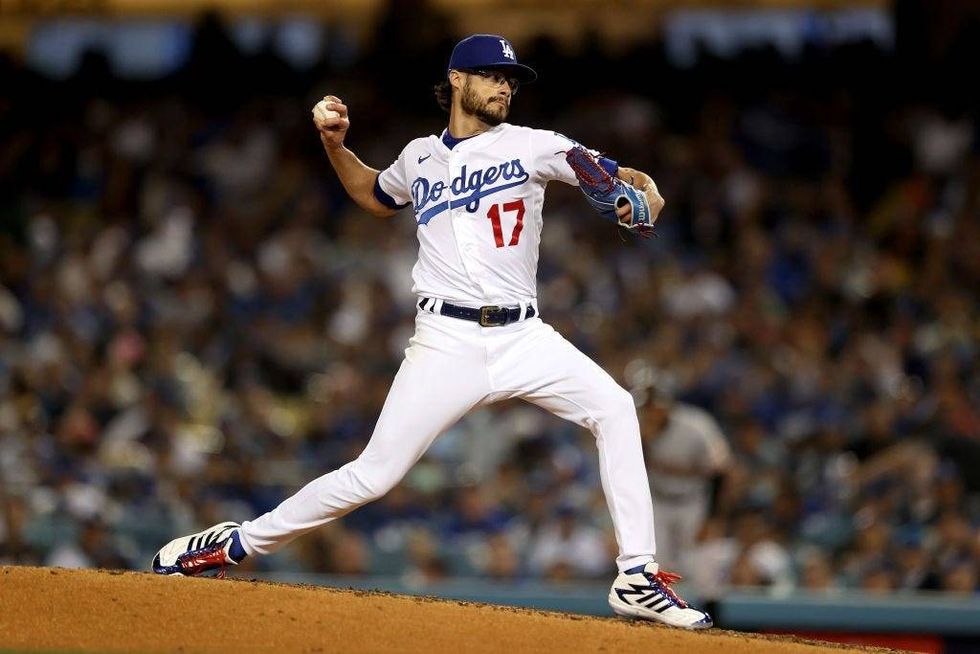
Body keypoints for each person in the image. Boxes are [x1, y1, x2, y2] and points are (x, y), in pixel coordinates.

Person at [151, 33, 712, 629]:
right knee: (373, 474)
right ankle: (235, 544)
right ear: (457, 80)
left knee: (616, 407)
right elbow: (375, 192)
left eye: (511, 78)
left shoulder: (533, 145)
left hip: (525, 336)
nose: (504, 86)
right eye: (492, 74)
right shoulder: (419, 156)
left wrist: (636, 192)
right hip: (446, 341)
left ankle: (637, 576)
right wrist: (336, 145)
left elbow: (606, 172)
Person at [638, 386, 731, 573]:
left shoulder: (697, 425)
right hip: (657, 500)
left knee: (701, 563)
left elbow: (721, 470)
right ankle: (661, 602)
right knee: (654, 563)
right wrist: (643, 442)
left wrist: (712, 518)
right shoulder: (637, 426)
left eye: (652, 407)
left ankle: (704, 602)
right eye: (644, 408)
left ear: (666, 406)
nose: (648, 413)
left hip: (693, 502)